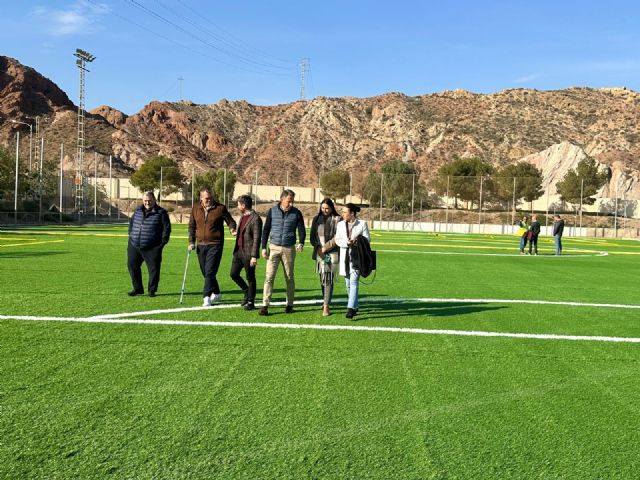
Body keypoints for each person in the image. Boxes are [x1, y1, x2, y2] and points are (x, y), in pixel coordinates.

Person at [259, 189, 305, 316]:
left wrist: (301, 242)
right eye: (289, 201)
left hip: (289, 249)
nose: (291, 204)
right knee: (269, 277)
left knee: (289, 277)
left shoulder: (297, 213)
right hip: (273, 247)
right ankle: (265, 305)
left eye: (292, 201)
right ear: (282, 199)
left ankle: (289, 304)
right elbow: (266, 229)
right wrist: (263, 247)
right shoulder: (272, 211)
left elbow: (301, 229)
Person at [188, 188, 237, 307]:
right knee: (206, 272)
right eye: (206, 198)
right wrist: (191, 242)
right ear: (201, 198)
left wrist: (232, 228)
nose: (209, 200)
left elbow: (230, 221)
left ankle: (206, 297)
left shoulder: (220, 208)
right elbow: (191, 226)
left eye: (210, 197)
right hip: (200, 245)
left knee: (210, 271)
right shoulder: (195, 208)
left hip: (215, 244)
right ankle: (217, 292)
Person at [127, 191, 171, 297]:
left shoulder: (161, 213)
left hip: (152, 247)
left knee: (153, 269)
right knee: (132, 266)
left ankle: (152, 290)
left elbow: (167, 229)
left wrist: (161, 244)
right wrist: (131, 235)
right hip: (135, 244)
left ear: (154, 200)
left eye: (149, 200)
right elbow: (131, 224)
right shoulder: (137, 211)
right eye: (145, 200)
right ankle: (137, 288)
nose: (147, 203)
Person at [335, 203, 370, 319]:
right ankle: (355, 305)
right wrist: (346, 243)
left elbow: (367, 240)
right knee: (348, 283)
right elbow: (337, 240)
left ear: (352, 214)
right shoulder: (340, 225)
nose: (343, 214)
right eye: (343, 212)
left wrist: (355, 242)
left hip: (357, 257)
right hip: (345, 257)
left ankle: (350, 308)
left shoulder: (362, 224)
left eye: (345, 212)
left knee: (354, 282)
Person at [230, 194, 263, 311]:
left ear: (243, 205)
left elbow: (257, 238)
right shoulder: (243, 216)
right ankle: (246, 291)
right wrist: (235, 233)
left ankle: (251, 301)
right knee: (233, 274)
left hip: (249, 254)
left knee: (250, 278)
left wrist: (254, 256)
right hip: (238, 252)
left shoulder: (256, 219)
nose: (237, 206)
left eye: (238, 204)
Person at [310, 198, 341, 317]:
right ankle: (325, 301)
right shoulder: (316, 219)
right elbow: (313, 237)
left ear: (332, 208)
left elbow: (338, 237)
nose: (325, 210)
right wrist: (319, 248)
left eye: (327, 208)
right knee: (322, 278)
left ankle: (326, 306)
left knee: (328, 278)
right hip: (320, 253)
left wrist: (326, 247)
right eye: (322, 208)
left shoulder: (338, 220)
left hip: (332, 253)